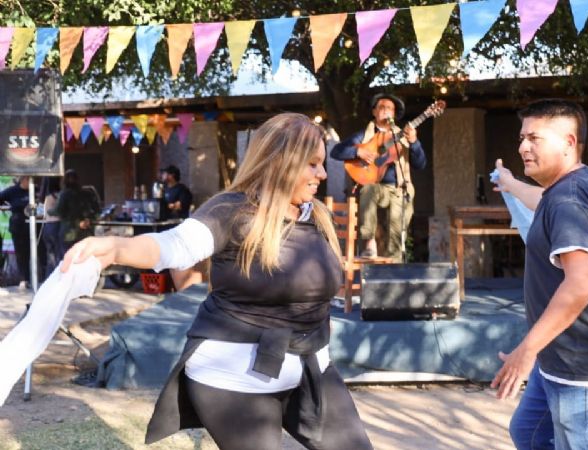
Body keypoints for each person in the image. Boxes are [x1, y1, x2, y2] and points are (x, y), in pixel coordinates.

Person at [62, 113, 373, 449]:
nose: (323, 174)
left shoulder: (317, 217)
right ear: (280, 161)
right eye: (312, 164)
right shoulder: (231, 211)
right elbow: (176, 245)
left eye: (322, 163)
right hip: (233, 375)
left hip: (310, 368)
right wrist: (117, 247)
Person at [491, 99, 588, 450]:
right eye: (521, 137)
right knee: (529, 434)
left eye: (534, 137)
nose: (522, 147)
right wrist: (510, 184)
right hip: (561, 355)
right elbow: (543, 200)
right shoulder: (571, 185)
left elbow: (581, 283)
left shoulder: (570, 199)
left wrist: (526, 351)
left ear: (568, 141)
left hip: (587, 366)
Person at [330, 93, 427, 261]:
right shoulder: (364, 135)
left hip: (399, 188)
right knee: (368, 189)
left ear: (394, 114)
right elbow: (336, 151)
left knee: (397, 233)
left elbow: (421, 164)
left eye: (390, 108)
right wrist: (357, 151)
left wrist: (414, 142)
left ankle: (393, 270)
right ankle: (368, 242)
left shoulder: (402, 136)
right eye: (381, 107)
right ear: (374, 111)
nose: (385, 111)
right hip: (376, 187)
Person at [0, 176, 37, 289]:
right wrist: (5, 209)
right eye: (27, 180)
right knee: (21, 254)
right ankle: (23, 279)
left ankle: (32, 278)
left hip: (33, 224)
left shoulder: (34, 190)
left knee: (32, 253)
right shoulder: (12, 191)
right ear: (22, 180)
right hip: (18, 225)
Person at [53, 169, 100, 252]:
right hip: (85, 231)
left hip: (68, 231)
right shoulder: (87, 193)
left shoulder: (64, 194)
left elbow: (59, 211)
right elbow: (97, 211)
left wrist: (49, 211)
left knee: (67, 256)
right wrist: (89, 219)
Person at [39, 177, 62, 276]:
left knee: (50, 256)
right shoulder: (59, 195)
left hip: (47, 226)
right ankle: (57, 277)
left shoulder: (46, 197)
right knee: (58, 255)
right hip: (57, 226)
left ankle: (48, 277)